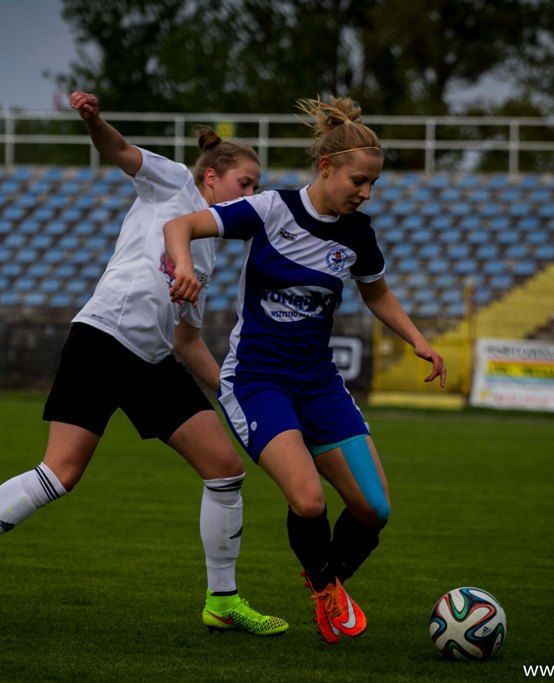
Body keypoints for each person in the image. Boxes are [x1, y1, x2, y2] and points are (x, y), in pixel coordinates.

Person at [0, 90, 288, 636]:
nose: (252, 194)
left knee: (225, 469)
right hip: (103, 339)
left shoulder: (207, 247)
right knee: (60, 474)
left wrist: (233, 389)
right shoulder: (174, 183)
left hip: (152, 361)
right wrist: (94, 119)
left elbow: (186, 340)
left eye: (256, 187)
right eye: (245, 184)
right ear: (212, 177)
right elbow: (119, 151)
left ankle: (222, 601)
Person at [163, 96, 447, 644]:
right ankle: (325, 591)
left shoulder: (358, 234)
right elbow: (181, 224)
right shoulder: (271, 209)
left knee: (374, 510)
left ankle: (326, 575)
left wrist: (418, 340)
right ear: (326, 167)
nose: (366, 193)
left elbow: (377, 293)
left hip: (319, 384)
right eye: (359, 181)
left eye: (373, 184)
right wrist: (183, 265)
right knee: (310, 500)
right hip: (257, 381)